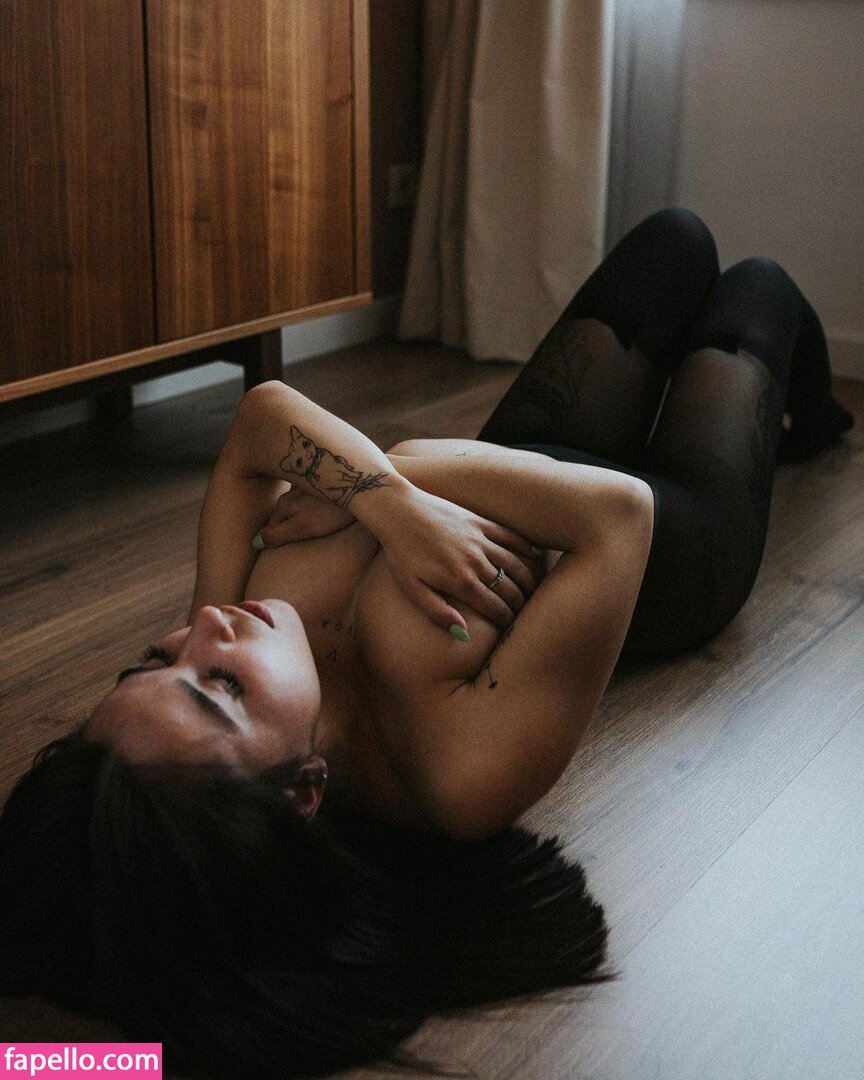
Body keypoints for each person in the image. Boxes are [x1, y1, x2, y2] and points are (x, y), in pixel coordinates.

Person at [0, 209, 853, 1078]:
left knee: (675, 241)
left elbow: (260, 418)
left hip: (516, 460)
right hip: (671, 542)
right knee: (759, 290)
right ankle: (817, 410)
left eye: (156, 660)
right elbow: (618, 518)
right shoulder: (452, 773)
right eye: (220, 687)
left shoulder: (232, 621)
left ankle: (807, 408)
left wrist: (387, 504)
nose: (206, 629)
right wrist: (388, 472)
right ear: (301, 795)